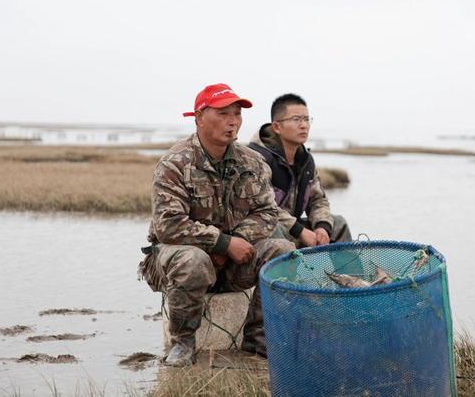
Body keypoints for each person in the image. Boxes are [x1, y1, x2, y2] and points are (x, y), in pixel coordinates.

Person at [139, 83, 295, 366]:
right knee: (192, 260)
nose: (233, 120)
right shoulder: (175, 164)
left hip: (232, 263)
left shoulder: (254, 162)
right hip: (176, 261)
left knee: (282, 250)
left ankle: (258, 337)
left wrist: (235, 243)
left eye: (237, 113)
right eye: (223, 113)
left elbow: (267, 213)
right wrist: (222, 243)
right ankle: (183, 342)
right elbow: (169, 226)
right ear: (199, 117)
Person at [249, 93, 352, 247]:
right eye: (296, 119)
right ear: (277, 126)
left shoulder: (306, 160)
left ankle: (342, 271)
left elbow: (318, 200)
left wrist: (322, 226)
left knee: (338, 223)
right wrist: (300, 231)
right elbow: (265, 208)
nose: (304, 125)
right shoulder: (256, 158)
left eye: (306, 119)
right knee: (275, 230)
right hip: (264, 229)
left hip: (293, 229)